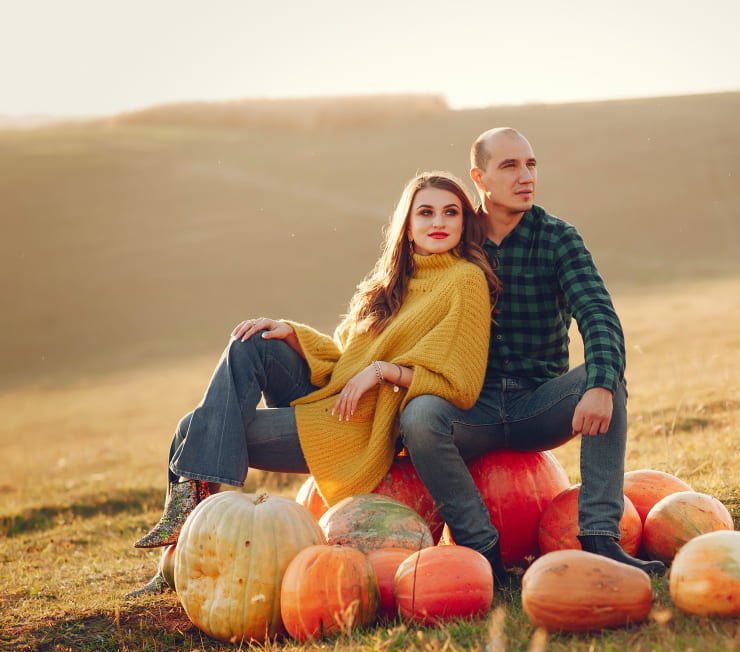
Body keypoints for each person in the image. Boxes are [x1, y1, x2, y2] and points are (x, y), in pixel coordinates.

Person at [128, 171, 497, 596]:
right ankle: (190, 528)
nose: (439, 222)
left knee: (192, 427)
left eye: (450, 212)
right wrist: (289, 333)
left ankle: (179, 552)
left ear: (464, 222)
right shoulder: (390, 282)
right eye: (426, 212)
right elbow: (344, 357)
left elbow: (460, 383)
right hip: (333, 396)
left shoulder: (464, 281)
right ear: (407, 226)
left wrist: (384, 372)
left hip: (356, 425)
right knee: (250, 341)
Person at [400, 128, 665, 583]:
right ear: (479, 177)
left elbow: (597, 312)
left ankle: (601, 538)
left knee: (606, 377)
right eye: (509, 166)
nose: (525, 176)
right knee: (421, 416)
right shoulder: (455, 237)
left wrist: (600, 385)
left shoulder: (557, 238)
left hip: (537, 404)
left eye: (531, 165)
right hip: (472, 408)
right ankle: (483, 552)